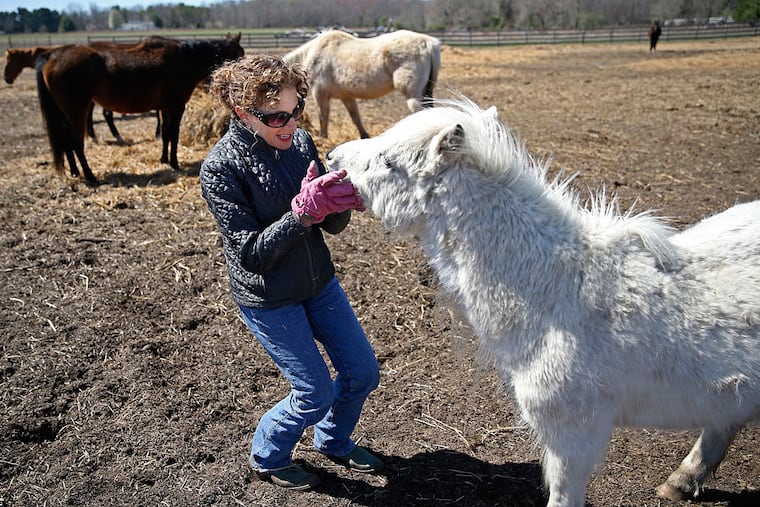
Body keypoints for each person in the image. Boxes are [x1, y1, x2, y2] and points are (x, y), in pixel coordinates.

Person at [199, 54, 383, 490]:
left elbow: (331, 226)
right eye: (276, 115)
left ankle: (333, 441)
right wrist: (301, 214)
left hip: (318, 282)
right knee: (314, 393)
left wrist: (337, 203)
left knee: (363, 372)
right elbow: (250, 255)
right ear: (243, 113)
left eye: (296, 109)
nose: (290, 122)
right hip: (269, 297)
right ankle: (269, 454)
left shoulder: (300, 144)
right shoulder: (220, 168)